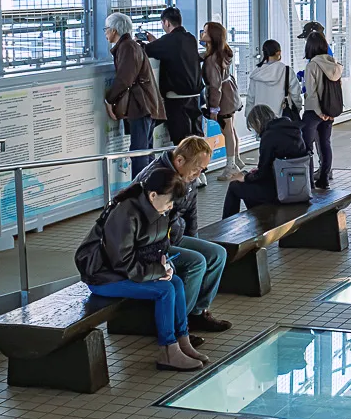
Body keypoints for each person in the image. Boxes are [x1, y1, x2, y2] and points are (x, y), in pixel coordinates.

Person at [74, 168, 207, 372]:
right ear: (153, 195)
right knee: (165, 290)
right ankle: (167, 350)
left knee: (176, 282)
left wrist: (166, 267)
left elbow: (161, 246)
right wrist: (158, 272)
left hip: (129, 271)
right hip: (104, 277)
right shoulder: (125, 213)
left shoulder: (159, 209)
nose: (171, 206)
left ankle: (183, 341)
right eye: (170, 201)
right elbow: (122, 262)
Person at [133, 136, 231, 332]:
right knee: (196, 262)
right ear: (179, 161)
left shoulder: (188, 177)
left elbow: (191, 214)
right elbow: (141, 226)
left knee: (217, 254)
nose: (199, 173)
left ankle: (197, 313)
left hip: (172, 237)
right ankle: (178, 326)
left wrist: (193, 240)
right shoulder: (155, 178)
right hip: (146, 245)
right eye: (197, 168)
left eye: (202, 169)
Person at [103, 12, 165, 179]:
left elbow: (124, 79)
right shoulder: (130, 46)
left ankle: (139, 190)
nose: (105, 33)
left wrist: (109, 100)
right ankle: (150, 185)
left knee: (139, 152)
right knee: (146, 150)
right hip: (147, 105)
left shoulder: (127, 47)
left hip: (141, 106)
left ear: (114, 31)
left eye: (106, 29)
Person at [222, 105, 307, 218]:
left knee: (235, 186)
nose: (256, 131)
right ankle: (258, 218)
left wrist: (245, 177)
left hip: (279, 191)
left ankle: (226, 228)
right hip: (299, 187)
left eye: (253, 127)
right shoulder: (294, 131)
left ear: (258, 122)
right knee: (250, 185)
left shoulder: (269, 136)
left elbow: (263, 174)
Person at [143, 7, 204, 158]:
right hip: (195, 96)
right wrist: (158, 42)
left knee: (181, 141)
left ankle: (188, 176)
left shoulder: (168, 41)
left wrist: (148, 42)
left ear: (166, 23)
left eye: (162, 23)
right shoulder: (190, 38)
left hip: (176, 98)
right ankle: (200, 171)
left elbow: (146, 50)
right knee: (196, 137)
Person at [201, 21, 244, 180]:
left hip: (223, 99)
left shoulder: (212, 60)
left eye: (205, 32)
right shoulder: (223, 53)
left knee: (227, 131)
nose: (202, 35)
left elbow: (214, 86)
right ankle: (236, 160)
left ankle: (230, 165)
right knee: (231, 129)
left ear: (212, 37)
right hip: (230, 94)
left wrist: (213, 108)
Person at [301, 31, 343, 189]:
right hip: (329, 111)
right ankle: (324, 179)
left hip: (314, 112)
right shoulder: (334, 64)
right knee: (325, 143)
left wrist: (319, 112)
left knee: (307, 146)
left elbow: (311, 92)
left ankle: (309, 182)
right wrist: (328, 113)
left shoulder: (312, 65)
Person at [246, 39, 303, 119]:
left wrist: (249, 116)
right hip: (283, 116)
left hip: (261, 118)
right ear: (278, 52)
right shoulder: (286, 71)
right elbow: (295, 94)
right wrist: (298, 108)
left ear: (264, 53)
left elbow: (251, 98)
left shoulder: (256, 73)